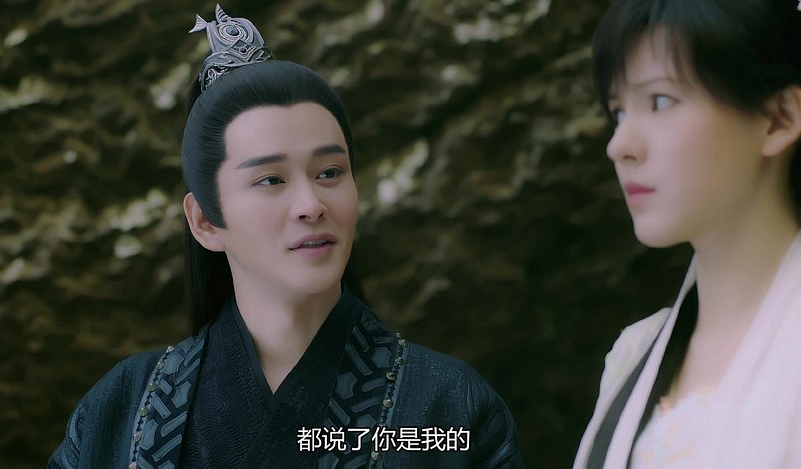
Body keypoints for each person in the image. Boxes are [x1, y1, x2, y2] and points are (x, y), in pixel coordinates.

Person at [48, 5, 523, 469]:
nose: (310, 204)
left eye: (330, 172)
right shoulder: (119, 409)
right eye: (271, 179)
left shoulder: (448, 408)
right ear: (205, 222)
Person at [574, 0, 801, 467]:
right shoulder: (634, 354)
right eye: (618, 112)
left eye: (660, 101)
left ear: (779, 117)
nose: (619, 145)